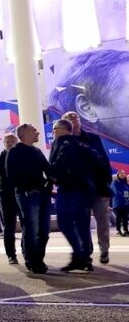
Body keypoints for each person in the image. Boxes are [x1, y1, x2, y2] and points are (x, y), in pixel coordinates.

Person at [62, 111, 113, 264]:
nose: (73, 120)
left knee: (102, 221)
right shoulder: (65, 142)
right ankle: (86, 251)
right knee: (81, 222)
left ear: (79, 120)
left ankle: (104, 249)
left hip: (98, 187)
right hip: (79, 190)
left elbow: (104, 162)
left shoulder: (93, 138)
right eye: (68, 118)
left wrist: (106, 186)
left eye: (75, 117)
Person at [49, 119, 99, 272]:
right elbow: (97, 161)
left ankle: (79, 255)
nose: (53, 132)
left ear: (64, 129)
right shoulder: (81, 143)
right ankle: (85, 257)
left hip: (70, 189)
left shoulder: (62, 143)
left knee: (65, 223)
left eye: (55, 129)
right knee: (82, 224)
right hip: (85, 189)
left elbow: (57, 165)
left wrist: (54, 176)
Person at [5, 124, 53, 274]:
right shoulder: (14, 152)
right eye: (34, 130)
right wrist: (27, 188)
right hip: (27, 194)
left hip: (42, 194)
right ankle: (33, 260)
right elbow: (11, 175)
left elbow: (48, 169)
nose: (37, 133)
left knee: (44, 229)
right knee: (32, 228)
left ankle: (38, 258)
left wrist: (49, 186)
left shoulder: (37, 151)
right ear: (25, 133)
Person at [0, 133, 23, 264]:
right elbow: (4, 177)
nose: (10, 144)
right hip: (6, 195)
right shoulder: (0, 159)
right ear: (4, 143)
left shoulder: (21, 156)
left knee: (26, 224)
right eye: (7, 142)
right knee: (9, 226)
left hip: (21, 193)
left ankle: (26, 251)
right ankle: (11, 255)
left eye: (13, 141)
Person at [111, 171, 129, 236]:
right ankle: (118, 230)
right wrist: (122, 195)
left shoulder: (125, 183)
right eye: (121, 173)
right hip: (118, 203)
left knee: (125, 218)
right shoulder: (115, 182)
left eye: (124, 173)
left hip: (125, 203)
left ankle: (126, 230)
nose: (123, 174)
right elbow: (115, 191)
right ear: (118, 174)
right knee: (118, 217)